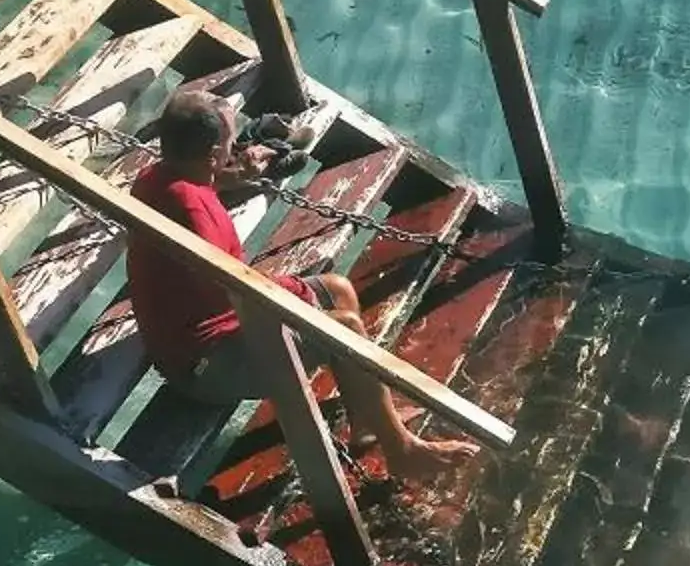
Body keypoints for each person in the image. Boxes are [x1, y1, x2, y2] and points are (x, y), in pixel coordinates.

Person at [122, 89, 470, 482]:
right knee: (345, 330)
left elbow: (203, 190)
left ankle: (368, 425)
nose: (237, 148)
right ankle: (403, 450)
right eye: (231, 144)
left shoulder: (160, 176)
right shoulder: (194, 214)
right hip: (206, 365)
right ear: (211, 155)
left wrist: (242, 171)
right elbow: (241, 295)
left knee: (338, 290)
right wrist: (300, 294)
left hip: (216, 322)